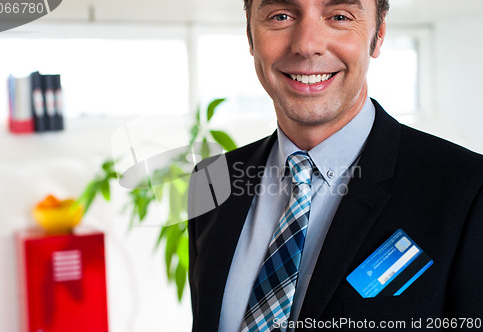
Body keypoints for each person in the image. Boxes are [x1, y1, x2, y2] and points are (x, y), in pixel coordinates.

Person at [188, 0, 483, 330]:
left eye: (340, 16)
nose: (307, 45)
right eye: (281, 16)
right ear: (249, 31)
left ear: (379, 33)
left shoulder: (469, 191)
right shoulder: (210, 181)